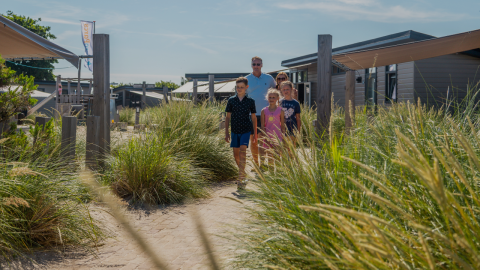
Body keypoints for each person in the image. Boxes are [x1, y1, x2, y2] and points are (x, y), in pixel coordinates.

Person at [225, 77, 257, 190]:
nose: (239, 89)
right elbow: (227, 117)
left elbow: (253, 118)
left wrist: (255, 133)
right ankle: (243, 173)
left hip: (246, 130)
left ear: (246, 87)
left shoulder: (250, 101)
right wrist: (226, 132)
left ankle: (240, 178)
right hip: (234, 130)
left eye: (242, 87)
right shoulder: (231, 100)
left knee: (243, 152)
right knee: (236, 155)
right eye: (238, 87)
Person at [246, 56, 276, 166]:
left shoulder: (269, 79)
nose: (256, 66)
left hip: (267, 114)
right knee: (253, 141)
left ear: (262, 65)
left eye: (258, 64)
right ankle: (256, 164)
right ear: (251, 65)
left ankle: (263, 164)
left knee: (265, 141)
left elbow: (275, 93)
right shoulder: (247, 79)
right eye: (254, 64)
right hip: (252, 115)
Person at [260, 88, 285, 168]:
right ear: (267, 98)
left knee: (277, 155)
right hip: (267, 136)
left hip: (277, 136)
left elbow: (283, 124)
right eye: (270, 97)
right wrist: (265, 136)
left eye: (273, 97)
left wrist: (283, 136)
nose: (271, 99)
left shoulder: (280, 110)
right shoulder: (264, 111)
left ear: (277, 98)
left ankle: (277, 172)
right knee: (270, 155)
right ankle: (271, 172)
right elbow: (262, 125)